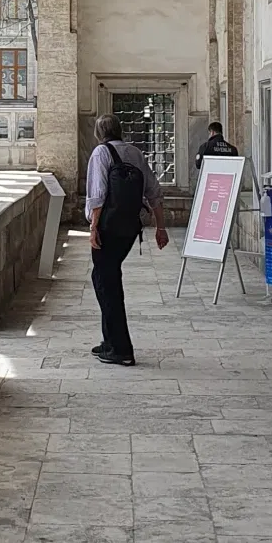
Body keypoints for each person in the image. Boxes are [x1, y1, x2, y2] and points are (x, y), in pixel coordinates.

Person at [86, 114, 169, 366]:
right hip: (129, 227)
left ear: (98, 133)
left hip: (107, 228)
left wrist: (93, 228)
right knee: (106, 278)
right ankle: (109, 340)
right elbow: (154, 192)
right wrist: (160, 227)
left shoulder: (101, 153)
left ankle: (121, 348)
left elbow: (97, 196)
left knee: (106, 283)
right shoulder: (134, 152)